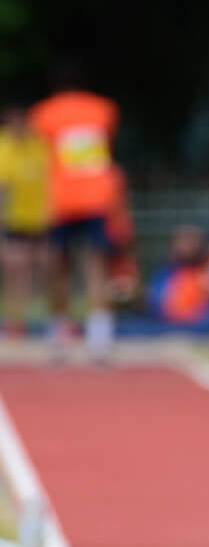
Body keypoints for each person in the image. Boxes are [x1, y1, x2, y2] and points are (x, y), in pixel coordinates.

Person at [28, 77, 121, 360]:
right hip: (98, 198)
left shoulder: (44, 113)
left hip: (61, 202)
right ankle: (100, 340)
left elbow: (40, 155)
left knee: (59, 272)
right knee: (96, 269)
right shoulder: (104, 109)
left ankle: (58, 340)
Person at [0, 103, 51, 335]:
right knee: (15, 269)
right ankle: (15, 320)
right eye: (14, 121)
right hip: (14, 219)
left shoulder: (40, 145)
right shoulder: (3, 146)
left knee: (47, 266)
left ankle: (49, 318)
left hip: (43, 218)